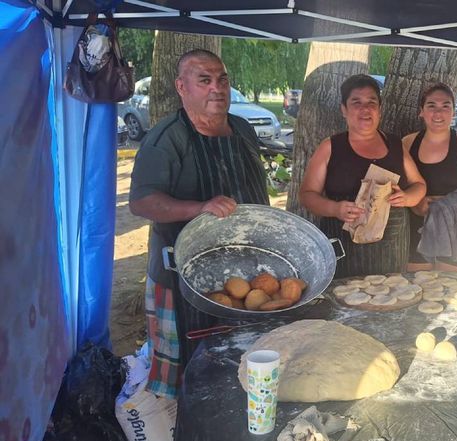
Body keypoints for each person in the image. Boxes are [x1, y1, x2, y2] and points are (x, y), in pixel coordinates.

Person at [129, 49, 270, 398]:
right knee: (193, 370)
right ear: (182, 87)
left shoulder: (242, 129)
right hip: (184, 275)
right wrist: (201, 207)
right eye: (204, 80)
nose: (216, 88)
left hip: (245, 270)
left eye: (222, 79)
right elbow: (141, 201)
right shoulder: (167, 138)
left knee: (243, 357)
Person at [299, 74, 426, 278]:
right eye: (356, 102)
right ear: (344, 109)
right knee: (344, 296)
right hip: (344, 247)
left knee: (392, 294)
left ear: (379, 109)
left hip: (391, 249)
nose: (365, 109)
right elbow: (307, 195)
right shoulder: (331, 147)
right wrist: (335, 209)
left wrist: (408, 198)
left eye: (371, 102)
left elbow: (419, 184)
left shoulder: (395, 145)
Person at [403, 83, 457, 272]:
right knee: (417, 286)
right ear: (421, 111)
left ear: (453, 111)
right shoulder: (408, 143)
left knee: (451, 287)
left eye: (445, 106)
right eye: (431, 106)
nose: (438, 113)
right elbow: (397, 186)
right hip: (416, 229)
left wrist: (449, 206)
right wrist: (414, 203)